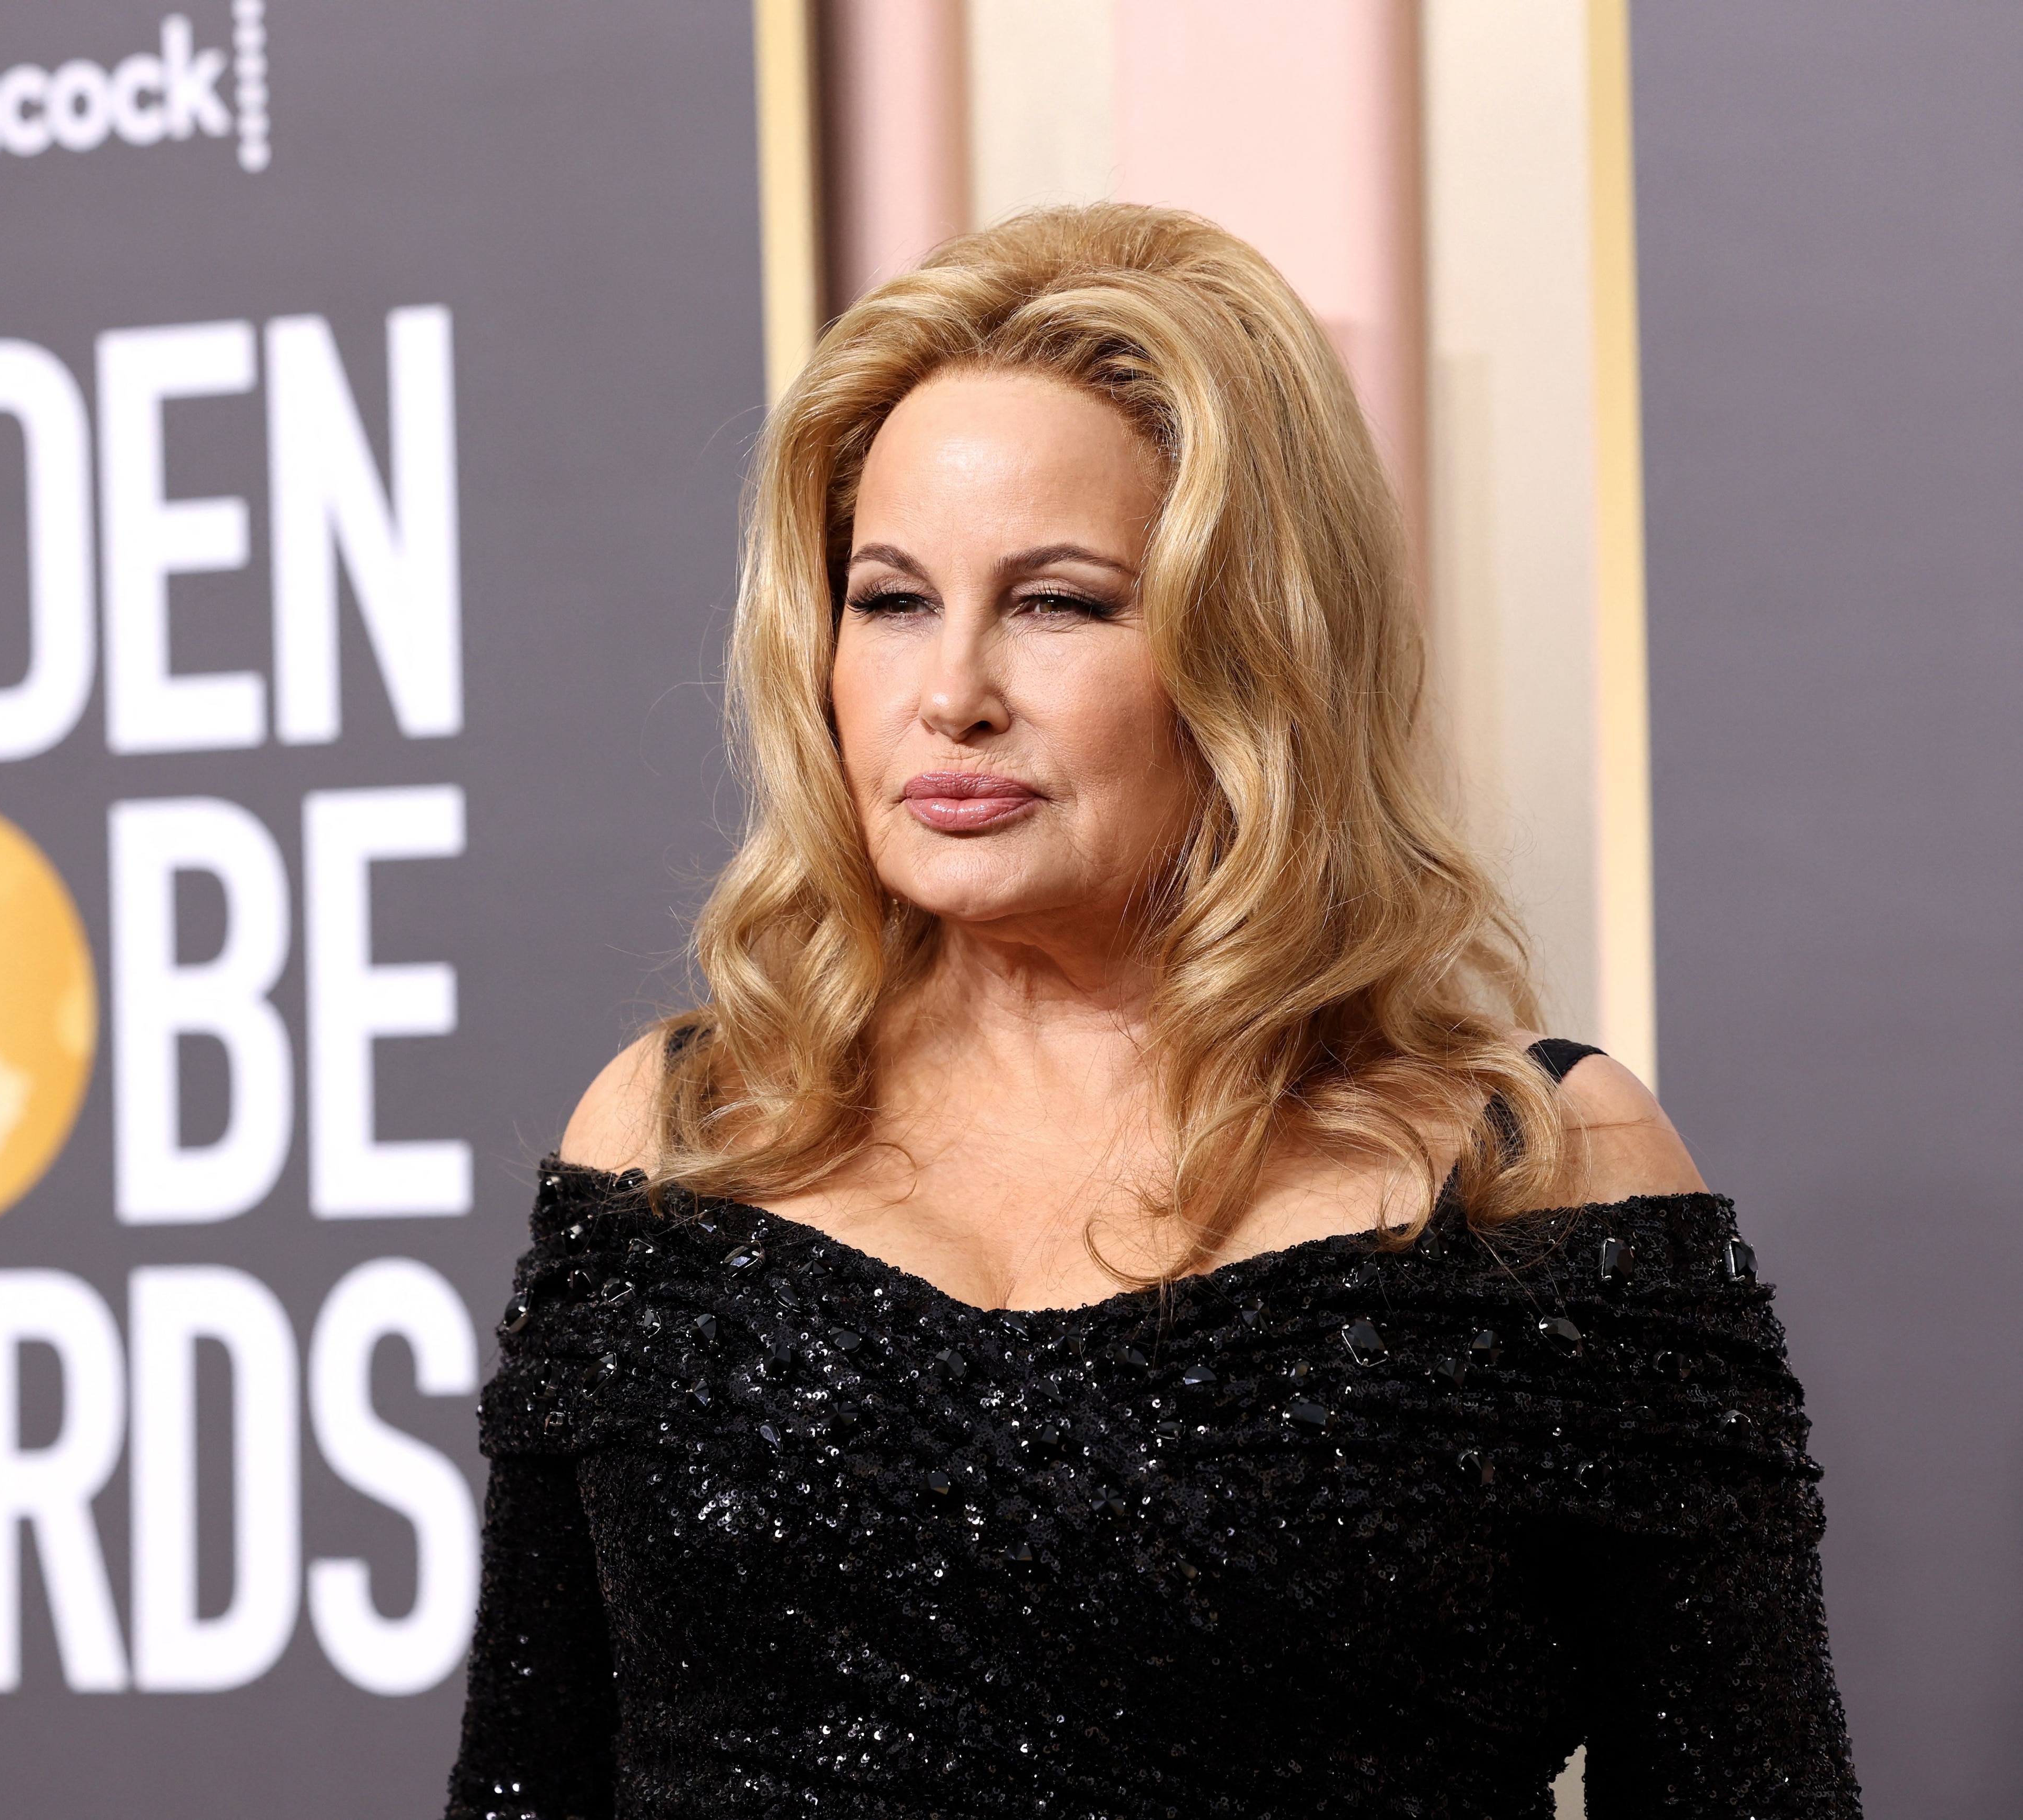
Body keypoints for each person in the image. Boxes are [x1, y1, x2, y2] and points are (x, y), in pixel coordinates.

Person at [446, 204, 1858, 1818]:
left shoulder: (1547, 1174)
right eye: (891, 598)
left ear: (1256, 646)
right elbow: (521, 1785)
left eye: (1059, 602)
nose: (951, 690)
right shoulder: (678, 1140)